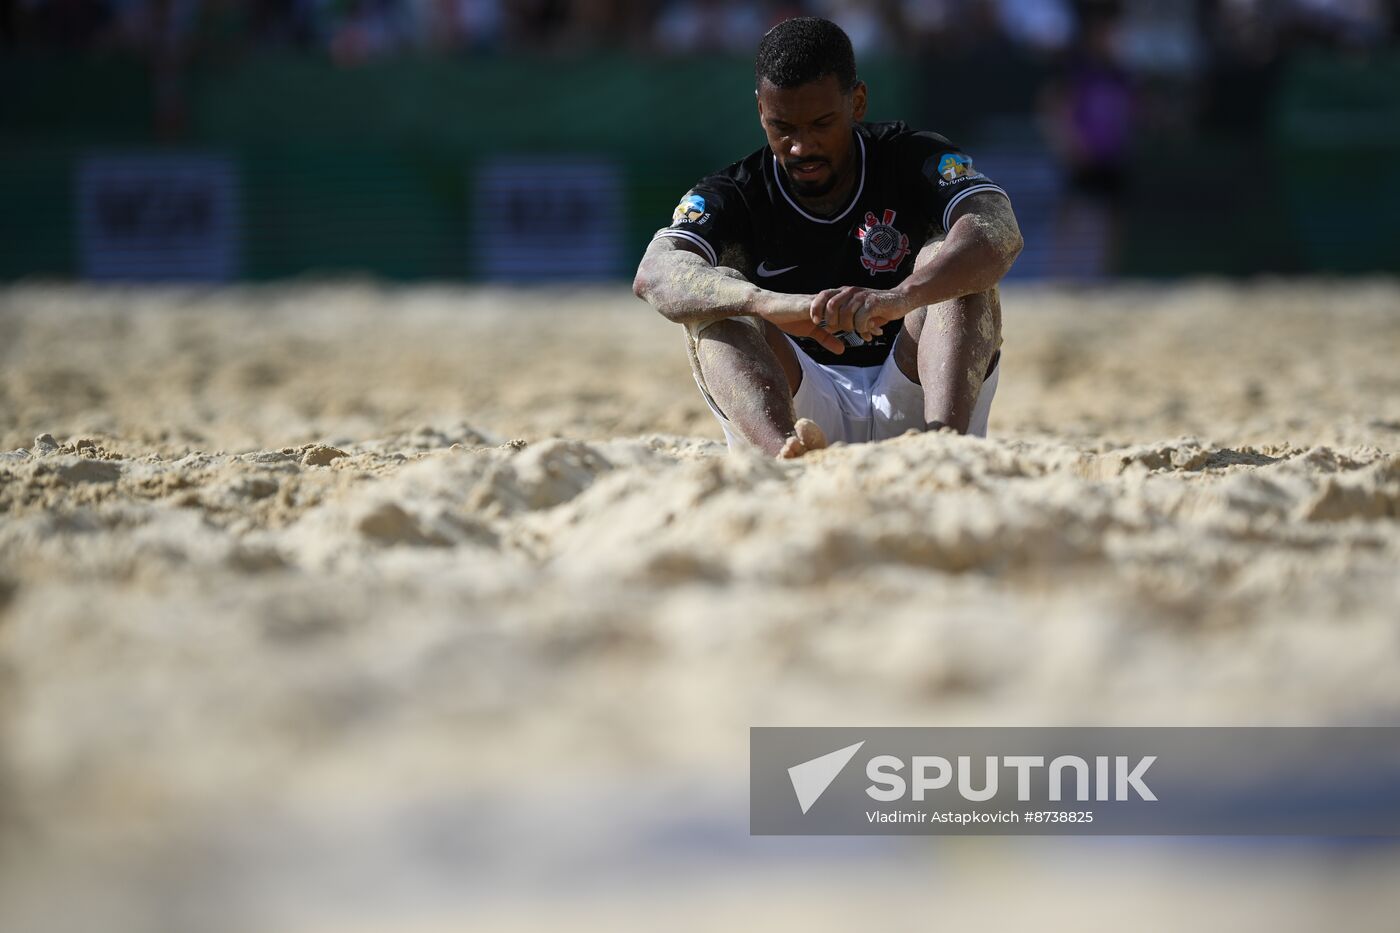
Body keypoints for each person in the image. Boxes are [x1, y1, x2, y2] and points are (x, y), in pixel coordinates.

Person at [632, 16, 1023, 459]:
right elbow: (655, 274)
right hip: (798, 402)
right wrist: (767, 303)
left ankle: (947, 454)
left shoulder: (914, 157)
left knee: (951, 266)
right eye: (783, 127)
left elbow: (997, 231)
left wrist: (901, 297)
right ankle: (786, 459)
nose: (801, 147)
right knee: (717, 299)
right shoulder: (734, 192)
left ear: (857, 102)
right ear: (761, 109)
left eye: (821, 124)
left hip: (916, 384)